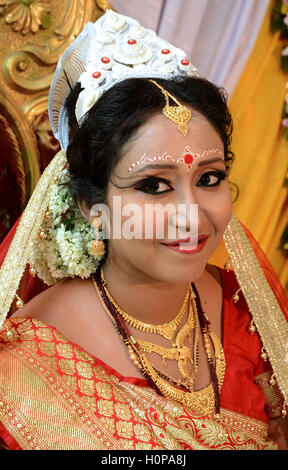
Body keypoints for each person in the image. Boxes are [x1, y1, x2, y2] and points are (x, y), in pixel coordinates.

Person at [0, 10, 287, 451]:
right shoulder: (26, 366)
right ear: (92, 207)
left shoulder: (247, 313)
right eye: (154, 185)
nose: (191, 215)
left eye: (209, 178)